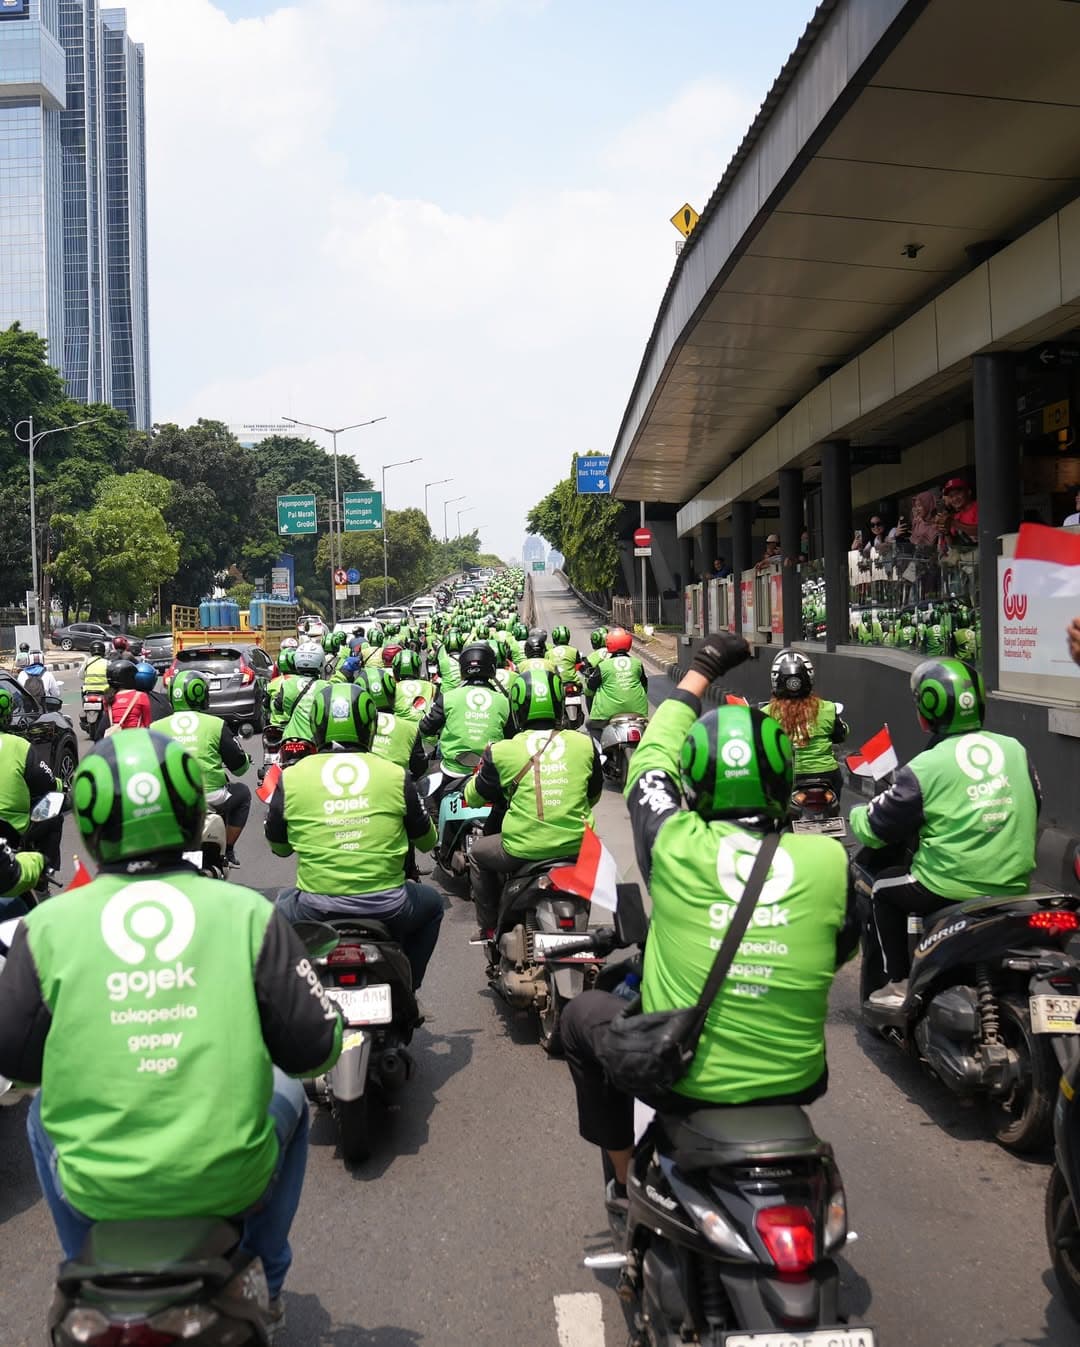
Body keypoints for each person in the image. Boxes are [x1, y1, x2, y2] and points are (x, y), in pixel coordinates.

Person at [0, 730, 342, 1329]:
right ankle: (267, 1271)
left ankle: (84, 1260)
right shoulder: (248, 914)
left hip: (96, 1189)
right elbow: (315, 1050)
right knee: (290, 1093)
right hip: (228, 1180)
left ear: (93, 828)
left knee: (37, 1113)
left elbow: (19, 1065)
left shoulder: (46, 926)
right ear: (191, 816)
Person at [560, 633, 855, 1200]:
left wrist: (702, 670)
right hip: (795, 1082)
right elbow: (838, 946)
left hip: (685, 1079)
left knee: (580, 1019)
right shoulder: (827, 863)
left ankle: (623, 1183)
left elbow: (649, 763)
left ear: (695, 782)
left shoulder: (674, 845)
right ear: (782, 780)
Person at [850, 657, 1039, 1008]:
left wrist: (858, 813)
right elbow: (1035, 803)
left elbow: (876, 832)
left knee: (882, 891)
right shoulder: (1015, 749)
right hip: (1014, 886)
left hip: (943, 886)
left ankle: (899, 982)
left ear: (926, 711)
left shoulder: (925, 766)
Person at [266, 683, 443, 992]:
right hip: (389, 906)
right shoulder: (394, 774)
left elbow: (279, 848)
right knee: (433, 905)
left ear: (317, 726)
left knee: (276, 914)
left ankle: (293, 995)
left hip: (313, 907)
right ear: (370, 726)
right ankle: (409, 985)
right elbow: (427, 842)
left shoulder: (292, 777)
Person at [466, 669, 602, 934]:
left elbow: (473, 797)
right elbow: (592, 795)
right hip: (579, 848)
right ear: (559, 703)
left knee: (478, 854)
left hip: (521, 850)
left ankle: (490, 928)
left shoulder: (501, 751)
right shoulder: (584, 744)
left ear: (517, 707)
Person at [159, 671, 252, 866]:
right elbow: (239, 768)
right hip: (212, 797)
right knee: (243, 793)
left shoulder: (155, 727)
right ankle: (228, 849)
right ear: (200, 694)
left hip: (168, 799)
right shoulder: (216, 725)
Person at [420, 642, 514, 779]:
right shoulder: (504, 701)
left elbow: (425, 728)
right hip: (489, 774)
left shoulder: (448, 697)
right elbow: (511, 736)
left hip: (452, 772)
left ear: (462, 667)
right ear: (492, 667)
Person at [764, 650, 848, 796]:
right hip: (827, 775)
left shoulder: (767, 714)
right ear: (809, 678)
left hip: (787, 777)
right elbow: (841, 735)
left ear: (776, 680)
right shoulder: (827, 707)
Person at [0, 684, 61, 874]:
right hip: (13, 830)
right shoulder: (18, 746)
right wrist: (60, 785)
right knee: (54, 809)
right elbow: (48, 783)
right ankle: (44, 874)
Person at [585, 628, 648, 734]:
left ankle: (599, 750)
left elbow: (589, 689)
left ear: (609, 643)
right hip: (638, 712)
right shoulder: (637, 663)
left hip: (607, 714)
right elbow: (645, 686)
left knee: (590, 726)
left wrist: (588, 694)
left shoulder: (603, 666)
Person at [96, 659, 152, 738]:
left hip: (117, 741)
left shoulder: (107, 698)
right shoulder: (141, 696)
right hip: (137, 740)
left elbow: (107, 721)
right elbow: (147, 724)